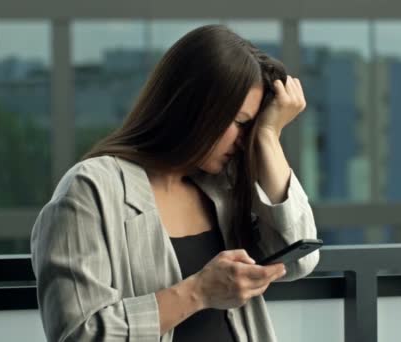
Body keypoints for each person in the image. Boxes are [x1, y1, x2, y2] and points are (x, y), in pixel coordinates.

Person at [30, 24, 319, 342]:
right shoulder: (90, 191)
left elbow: (301, 260)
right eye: (240, 124)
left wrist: (268, 137)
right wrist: (197, 292)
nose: (243, 141)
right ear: (193, 109)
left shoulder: (222, 187)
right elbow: (78, 335)